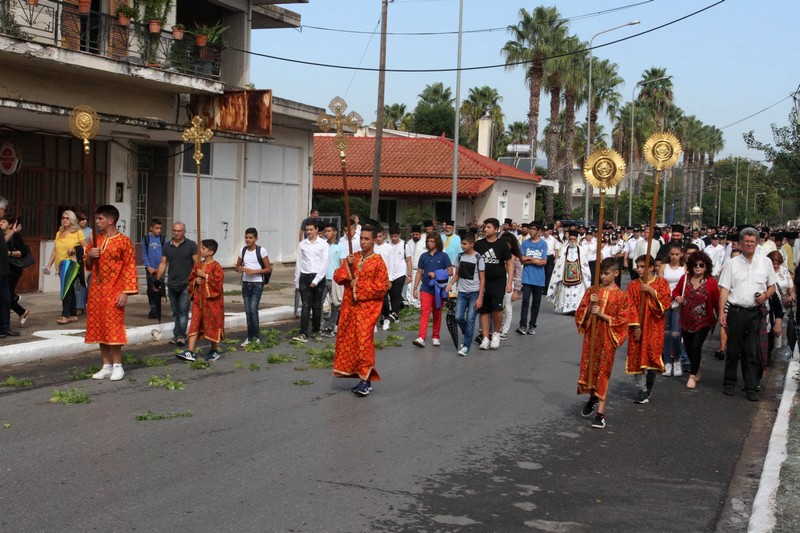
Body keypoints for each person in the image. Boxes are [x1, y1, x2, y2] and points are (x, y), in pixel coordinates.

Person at [718, 227, 777, 401]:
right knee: (734, 349)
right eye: (746, 241)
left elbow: (772, 286)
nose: (749, 244)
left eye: (753, 241)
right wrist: (721, 312)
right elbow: (724, 290)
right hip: (736, 311)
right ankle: (729, 383)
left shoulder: (765, 263)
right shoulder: (732, 264)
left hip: (755, 313)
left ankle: (751, 386)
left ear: (757, 243)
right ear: (741, 243)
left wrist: (766, 295)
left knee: (752, 351)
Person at [577, 258, 634, 429]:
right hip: (591, 337)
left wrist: (602, 315)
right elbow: (580, 313)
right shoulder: (592, 291)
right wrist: (588, 308)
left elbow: (623, 320)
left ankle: (600, 413)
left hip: (608, 338)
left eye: (606, 273)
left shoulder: (621, 296)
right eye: (600, 273)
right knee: (590, 369)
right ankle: (593, 397)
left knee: (603, 372)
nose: (602, 276)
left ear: (616, 273)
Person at [332, 224, 389, 396]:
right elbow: (338, 277)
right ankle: (362, 377)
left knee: (364, 343)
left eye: (366, 239)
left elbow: (382, 286)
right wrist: (346, 266)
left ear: (374, 241)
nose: (363, 242)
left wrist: (359, 286)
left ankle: (365, 380)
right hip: (350, 308)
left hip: (368, 310)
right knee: (351, 342)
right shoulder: (353, 258)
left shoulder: (378, 261)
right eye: (361, 238)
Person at [85, 205, 138, 381]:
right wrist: (91, 255)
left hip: (115, 289)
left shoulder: (124, 241)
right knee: (99, 326)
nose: (97, 221)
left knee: (113, 327)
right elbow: (87, 264)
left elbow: (130, 267)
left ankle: (117, 365)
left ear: (110, 220)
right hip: (96, 290)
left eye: (100, 218)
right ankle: (106, 365)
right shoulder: (96, 240)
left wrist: (125, 293)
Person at [626, 255, 671, 404]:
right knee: (637, 356)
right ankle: (641, 389)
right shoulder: (633, 285)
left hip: (654, 326)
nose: (638, 269)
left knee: (652, 356)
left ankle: (649, 386)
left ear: (651, 268)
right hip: (637, 327)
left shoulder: (662, 283)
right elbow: (629, 306)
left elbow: (665, 303)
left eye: (642, 266)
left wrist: (651, 291)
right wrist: (636, 326)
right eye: (637, 266)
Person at [673, 251, 719, 389]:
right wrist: (677, 298)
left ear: (706, 267)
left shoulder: (710, 282)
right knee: (688, 346)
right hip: (686, 320)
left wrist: (722, 315)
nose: (698, 267)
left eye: (701, 265)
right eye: (695, 265)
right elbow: (675, 291)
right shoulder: (685, 278)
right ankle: (697, 367)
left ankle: (692, 376)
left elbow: (717, 301)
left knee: (696, 346)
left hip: (703, 321)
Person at [177, 239, 225, 363]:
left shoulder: (216, 266)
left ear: (211, 252)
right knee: (194, 323)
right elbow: (191, 279)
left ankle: (214, 350)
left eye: (203, 249)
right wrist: (195, 282)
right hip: (199, 300)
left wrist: (205, 276)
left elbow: (218, 283)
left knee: (212, 324)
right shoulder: (198, 265)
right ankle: (190, 351)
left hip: (212, 302)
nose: (200, 251)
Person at [473, 218, 513, 350]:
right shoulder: (478, 245)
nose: (485, 229)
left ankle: (496, 333)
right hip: (482, 281)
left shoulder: (502, 244)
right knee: (483, 310)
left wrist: (510, 282)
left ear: (496, 229)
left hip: (498, 281)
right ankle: (485, 337)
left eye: (488, 227)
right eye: (485, 227)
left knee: (497, 308)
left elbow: (509, 263)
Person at [44, 210, 89, 325]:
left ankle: (64, 315)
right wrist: (49, 264)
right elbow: (55, 249)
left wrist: (74, 250)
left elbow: (86, 248)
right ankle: (73, 314)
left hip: (72, 264)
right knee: (69, 289)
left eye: (67, 218)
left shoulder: (78, 232)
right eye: (63, 218)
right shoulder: (59, 233)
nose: (64, 220)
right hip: (60, 265)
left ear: (72, 220)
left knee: (66, 289)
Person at [156, 222, 197, 347]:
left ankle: (181, 336)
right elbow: (163, 263)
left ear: (184, 231)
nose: (176, 233)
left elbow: (196, 263)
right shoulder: (167, 246)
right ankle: (177, 334)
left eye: (179, 231)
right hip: (172, 282)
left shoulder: (191, 245)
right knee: (175, 311)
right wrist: (158, 279)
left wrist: (195, 279)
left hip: (186, 283)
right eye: (174, 230)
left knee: (183, 310)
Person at [412, 231, 453, 348]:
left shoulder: (443, 256)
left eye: (432, 241)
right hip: (425, 288)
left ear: (437, 242)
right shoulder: (423, 256)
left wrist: (437, 274)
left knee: (437, 313)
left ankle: (435, 336)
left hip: (439, 290)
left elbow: (450, 271)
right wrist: (415, 288)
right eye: (428, 241)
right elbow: (419, 272)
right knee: (424, 312)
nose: (429, 243)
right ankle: (421, 337)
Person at [446, 232, 484, 356]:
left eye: (465, 244)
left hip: (474, 292)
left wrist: (480, 297)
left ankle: (466, 346)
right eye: (461, 243)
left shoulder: (478, 258)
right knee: (458, 317)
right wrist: (450, 284)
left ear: (472, 244)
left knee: (471, 319)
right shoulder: (460, 256)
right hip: (462, 292)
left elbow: (482, 279)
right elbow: (457, 274)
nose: (462, 246)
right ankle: (467, 332)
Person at [235, 227, 272, 347]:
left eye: (250, 238)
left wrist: (254, 272)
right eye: (246, 237)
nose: (248, 240)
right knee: (247, 311)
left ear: (256, 238)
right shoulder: (243, 250)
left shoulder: (261, 251)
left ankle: (255, 337)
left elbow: (268, 268)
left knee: (253, 310)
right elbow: (237, 266)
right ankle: (249, 337)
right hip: (246, 283)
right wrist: (240, 269)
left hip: (257, 283)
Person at [294, 220, 329, 342]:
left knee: (317, 305)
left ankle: (316, 330)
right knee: (305, 305)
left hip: (318, 277)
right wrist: (296, 282)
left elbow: (325, 263)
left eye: (311, 229)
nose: (309, 232)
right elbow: (299, 263)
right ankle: (303, 333)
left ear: (316, 230)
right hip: (305, 276)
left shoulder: (323, 244)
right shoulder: (302, 244)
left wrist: (317, 279)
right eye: (307, 230)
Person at [658, 242, 686, 377]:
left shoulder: (684, 268)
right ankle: (667, 362)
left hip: (678, 304)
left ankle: (677, 360)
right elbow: (660, 283)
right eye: (672, 254)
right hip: (665, 302)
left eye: (677, 254)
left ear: (681, 255)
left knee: (676, 334)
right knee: (666, 334)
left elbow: (686, 285)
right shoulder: (664, 267)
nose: (674, 257)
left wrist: (680, 297)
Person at [547, 230, 591, 315]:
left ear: (577, 239)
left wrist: (586, 278)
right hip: (565, 277)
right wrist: (558, 277)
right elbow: (559, 264)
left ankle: (576, 309)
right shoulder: (563, 250)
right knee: (565, 293)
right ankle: (565, 309)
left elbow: (584, 265)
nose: (572, 241)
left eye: (574, 239)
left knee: (578, 294)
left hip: (578, 278)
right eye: (570, 239)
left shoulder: (581, 250)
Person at [518, 221, 547, 335]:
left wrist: (528, 259)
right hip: (527, 277)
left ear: (538, 230)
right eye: (530, 229)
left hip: (539, 278)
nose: (531, 231)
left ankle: (532, 325)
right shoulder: (525, 243)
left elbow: (543, 262)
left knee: (536, 303)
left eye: (533, 229)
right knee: (525, 300)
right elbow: (521, 259)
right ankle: (522, 324)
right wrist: (534, 260)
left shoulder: (543, 244)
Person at [2, 214, 30, 327]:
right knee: (5, 295)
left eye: (3, 222)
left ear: (10, 225)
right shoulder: (1, 235)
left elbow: (23, 252)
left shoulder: (15, 236)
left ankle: (22, 311)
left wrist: (10, 253)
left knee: (5, 296)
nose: (0, 223)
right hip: (3, 268)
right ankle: (22, 311)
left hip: (13, 269)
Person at [382, 224, 410, 330]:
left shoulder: (404, 245)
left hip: (400, 273)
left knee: (396, 293)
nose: (393, 238)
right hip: (390, 273)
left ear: (399, 235)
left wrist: (410, 275)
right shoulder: (388, 245)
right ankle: (388, 312)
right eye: (392, 236)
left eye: (395, 236)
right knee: (388, 293)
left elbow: (409, 260)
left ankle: (395, 313)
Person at [767, 250, 794, 357]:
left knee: (778, 329)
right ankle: (767, 352)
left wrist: (791, 296)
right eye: (773, 263)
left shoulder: (784, 271)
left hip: (782, 305)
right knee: (770, 327)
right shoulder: (766, 270)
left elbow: (790, 287)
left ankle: (773, 349)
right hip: (770, 303)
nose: (775, 265)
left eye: (777, 263)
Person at [0, 198, 20, 338]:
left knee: (6, 299)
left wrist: (12, 231)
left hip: (3, 269)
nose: (4, 212)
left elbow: (3, 242)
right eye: (3, 209)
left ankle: (5, 327)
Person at [322, 222, 345, 337]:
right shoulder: (322, 245)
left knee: (335, 305)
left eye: (329, 231)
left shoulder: (341, 247)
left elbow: (342, 264)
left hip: (335, 280)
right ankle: (321, 325)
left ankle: (331, 327)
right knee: (318, 303)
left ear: (335, 232)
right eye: (325, 231)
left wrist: (341, 280)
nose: (326, 233)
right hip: (322, 279)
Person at [500, 232, 523, 339]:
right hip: (498, 282)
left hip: (511, 283)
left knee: (508, 308)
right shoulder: (499, 255)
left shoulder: (516, 259)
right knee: (498, 307)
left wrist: (516, 291)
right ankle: (497, 328)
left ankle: (504, 330)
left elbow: (518, 276)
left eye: (507, 243)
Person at [142, 218, 165, 320]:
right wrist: (148, 266)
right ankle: (153, 310)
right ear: (151, 228)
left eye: (160, 228)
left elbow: (165, 255)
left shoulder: (163, 239)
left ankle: (158, 309)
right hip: (150, 269)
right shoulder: (146, 239)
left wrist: (161, 267)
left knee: (159, 288)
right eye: (156, 228)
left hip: (160, 268)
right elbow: (144, 254)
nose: (158, 230)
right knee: (151, 289)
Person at [74, 211, 92, 315]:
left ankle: (83, 305)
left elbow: (92, 245)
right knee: (78, 284)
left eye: (86, 219)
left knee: (86, 284)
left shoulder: (89, 231)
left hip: (87, 261)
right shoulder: (73, 231)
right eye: (82, 219)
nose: (85, 221)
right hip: (76, 260)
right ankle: (78, 306)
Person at [405, 224, 425, 308]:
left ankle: (418, 303)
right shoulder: (409, 242)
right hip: (410, 269)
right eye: (413, 234)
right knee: (409, 286)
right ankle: (410, 302)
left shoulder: (424, 242)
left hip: (420, 269)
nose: (415, 236)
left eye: (417, 234)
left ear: (420, 234)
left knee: (418, 286)